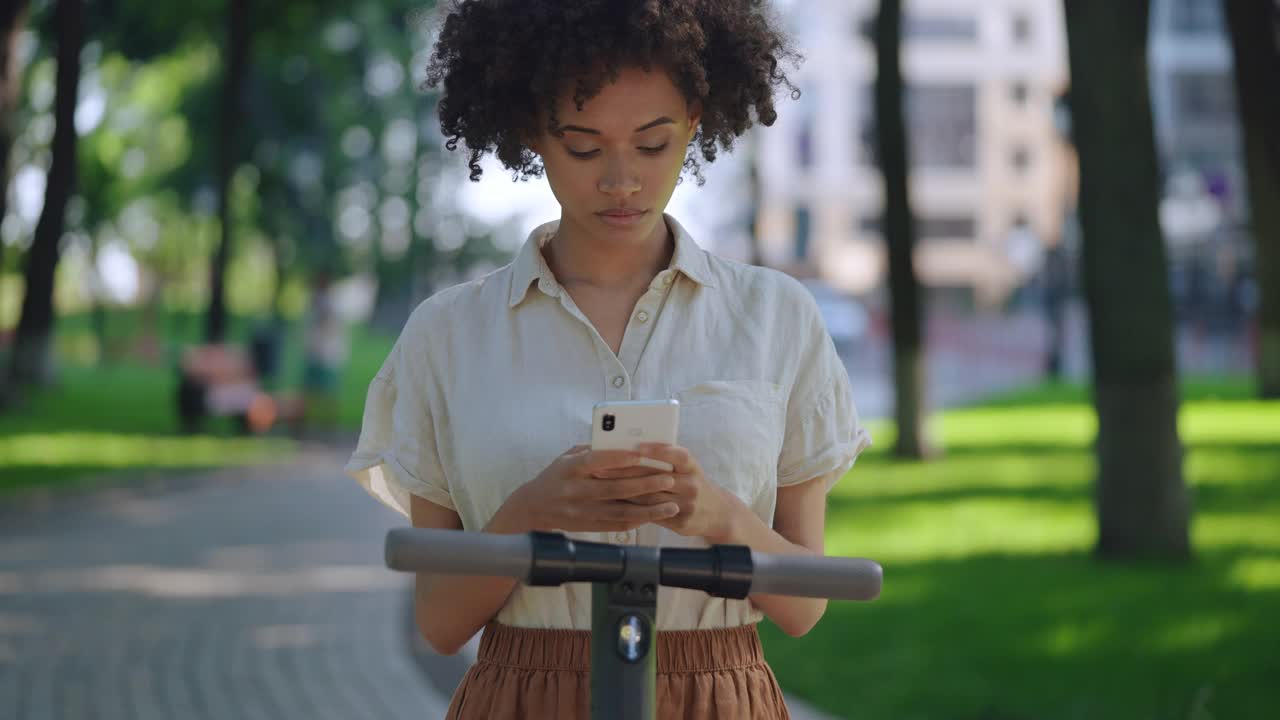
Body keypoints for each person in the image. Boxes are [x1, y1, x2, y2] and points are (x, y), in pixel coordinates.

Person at [346, 2, 872, 717]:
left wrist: (718, 515)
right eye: (584, 148)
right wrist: (533, 510)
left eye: (652, 145)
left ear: (694, 121)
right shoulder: (448, 334)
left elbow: (804, 607)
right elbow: (439, 624)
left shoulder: (778, 318)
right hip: (523, 695)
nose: (620, 179)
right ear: (533, 131)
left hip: (719, 694)